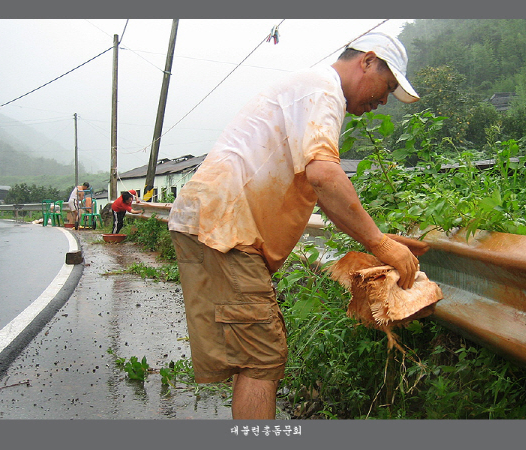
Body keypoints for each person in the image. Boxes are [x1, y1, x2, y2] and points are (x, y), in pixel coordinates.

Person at [168, 31, 421, 420]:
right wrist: (382, 244)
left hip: (218, 222)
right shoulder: (323, 90)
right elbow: (324, 176)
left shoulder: (310, 89)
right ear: (367, 61)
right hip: (224, 227)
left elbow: (321, 187)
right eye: (386, 87)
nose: (384, 100)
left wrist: (378, 238)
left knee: (255, 356)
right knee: (262, 357)